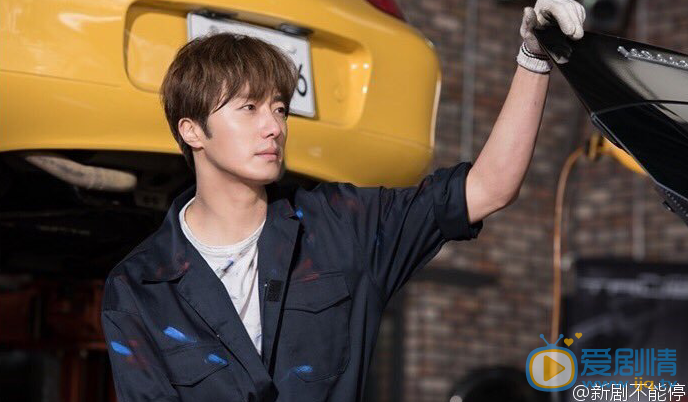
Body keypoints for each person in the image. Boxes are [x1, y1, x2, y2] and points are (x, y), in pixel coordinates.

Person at [100, 1, 585, 401]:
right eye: (249, 108)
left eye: (279, 109)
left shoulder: (340, 226)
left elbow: (489, 187)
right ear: (191, 131)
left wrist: (533, 57)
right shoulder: (138, 288)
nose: (274, 127)